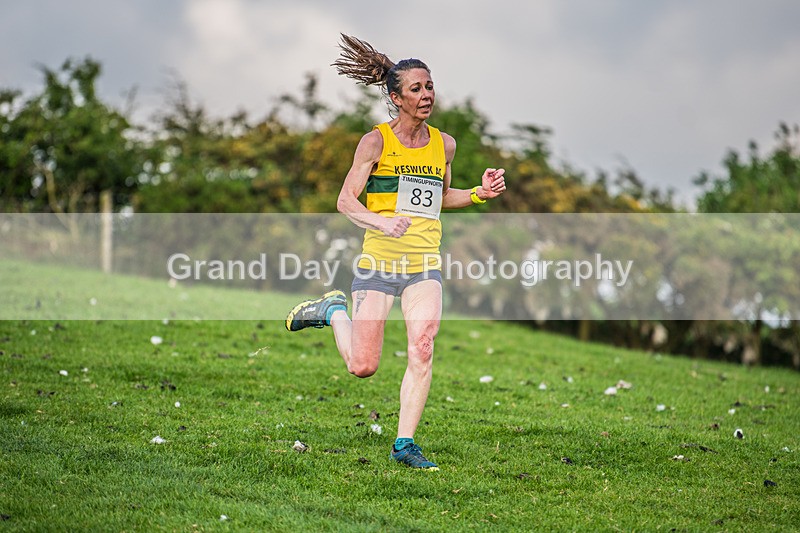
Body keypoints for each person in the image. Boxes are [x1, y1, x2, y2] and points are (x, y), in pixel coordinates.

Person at [286, 34, 506, 470]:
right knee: (363, 366)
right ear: (395, 97)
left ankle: (404, 444)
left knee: (422, 346)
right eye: (415, 89)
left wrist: (479, 193)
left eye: (429, 87)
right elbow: (346, 201)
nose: (426, 96)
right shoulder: (375, 143)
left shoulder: (444, 144)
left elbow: (440, 197)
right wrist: (383, 221)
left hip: (424, 265)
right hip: (379, 265)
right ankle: (333, 311)